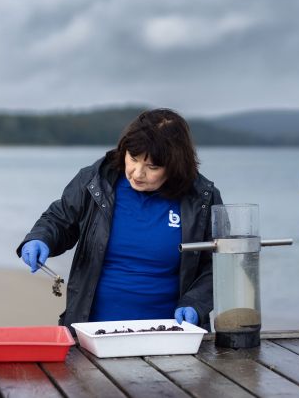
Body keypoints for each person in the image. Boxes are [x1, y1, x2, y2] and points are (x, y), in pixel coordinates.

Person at [16, 108, 223, 331]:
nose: (136, 173)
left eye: (152, 167)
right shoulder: (95, 180)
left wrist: (196, 303)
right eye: (132, 159)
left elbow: (220, 264)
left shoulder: (202, 198)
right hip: (91, 332)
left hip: (172, 334)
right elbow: (60, 218)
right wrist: (40, 238)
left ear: (174, 165)